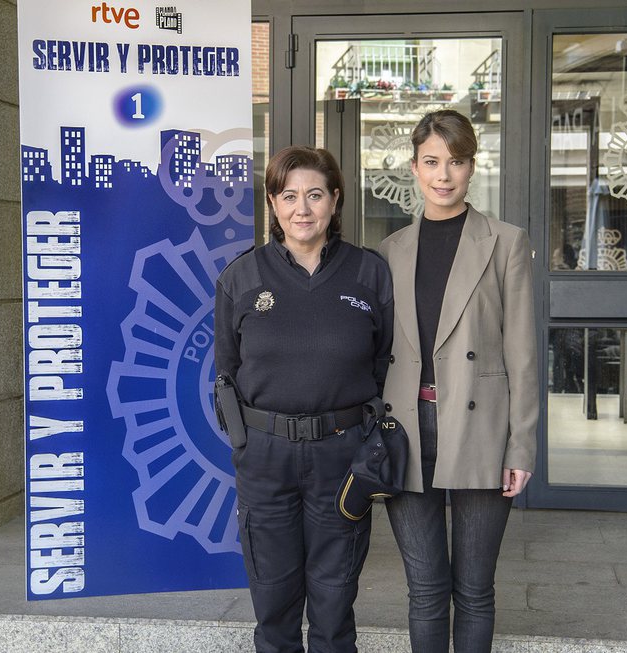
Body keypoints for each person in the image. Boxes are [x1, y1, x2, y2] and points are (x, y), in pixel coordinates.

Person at [214, 146, 394, 653]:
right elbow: (226, 371)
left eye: (315, 195)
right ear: (272, 203)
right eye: (289, 195)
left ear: (335, 201)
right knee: (273, 605)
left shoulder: (369, 273)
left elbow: (382, 362)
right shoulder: (241, 277)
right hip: (265, 459)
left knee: (335, 604)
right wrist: (248, 445)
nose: (302, 208)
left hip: (341, 456)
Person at [378, 110, 539, 652]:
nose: (443, 174)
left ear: (472, 166)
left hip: (483, 426)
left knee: (473, 589)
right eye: (431, 162)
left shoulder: (506, 242)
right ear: (414, 167)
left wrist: (522, 444)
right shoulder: (390, 250)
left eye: (456, 161)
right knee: (424, 589)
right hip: (408, 426)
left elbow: (522, 353)